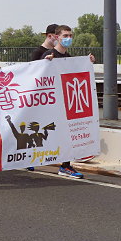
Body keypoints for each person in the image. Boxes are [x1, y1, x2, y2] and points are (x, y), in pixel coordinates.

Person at [42, 25, 95, 179]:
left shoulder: (69, 58)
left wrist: (88, 63)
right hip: (51, 105)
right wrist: (45, 63)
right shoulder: (48, 54)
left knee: (67, 135)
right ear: (57, 37)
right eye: (65, 36)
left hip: (64, 105)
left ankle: (65, 166)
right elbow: (38, 74)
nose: (68, 39)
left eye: (71, 36)